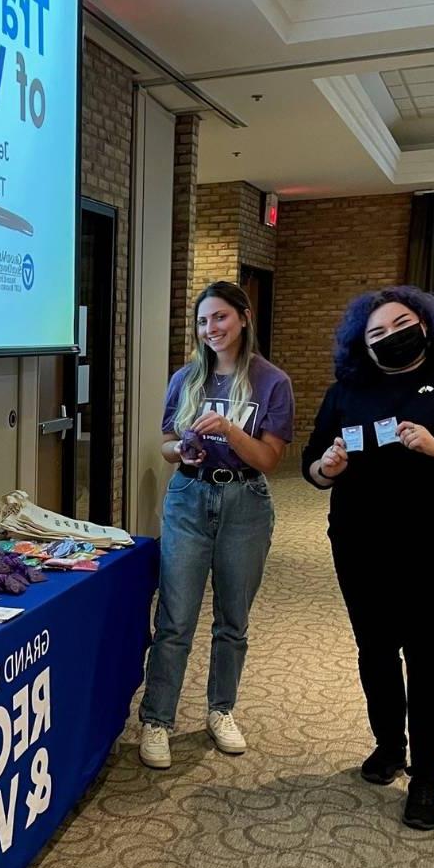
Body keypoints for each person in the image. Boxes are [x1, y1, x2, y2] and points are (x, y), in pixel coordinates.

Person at [302, 286, 434, 830]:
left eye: (400, 324)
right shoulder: (347, 392)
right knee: (374, 650)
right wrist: (327, 466)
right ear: (362, 346)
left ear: (424, 324)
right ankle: (389, 745)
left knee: (427, 661)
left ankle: (426, 776)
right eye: (376, 333)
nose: (390, 337)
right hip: (361, 545)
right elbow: (312, 467)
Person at [139, 281, 294, 769]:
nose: (211, 329)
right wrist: (181, 450)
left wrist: (228, 429)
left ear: (244, 318)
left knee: (233, 621)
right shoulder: (185, 377)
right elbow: (166, 444)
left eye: (221, 318)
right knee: (175, 618)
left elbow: (269, 458)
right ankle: (157, 720)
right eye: (203, 321)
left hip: (245, 502)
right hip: (188, 498)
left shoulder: (272, 382)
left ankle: (220, 710)